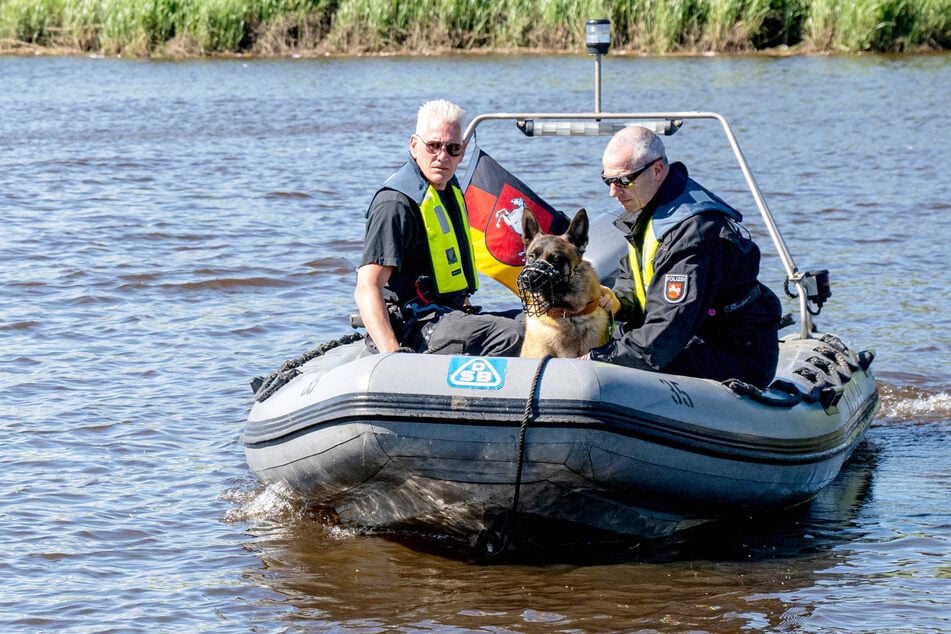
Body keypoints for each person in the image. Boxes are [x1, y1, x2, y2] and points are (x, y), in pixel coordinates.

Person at [584, 125, 782, 389]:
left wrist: (594, 360)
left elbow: (662, 339)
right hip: (682, 335)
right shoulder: (643, 211)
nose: (613, 191)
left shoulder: (694, 233)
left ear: (656, 171)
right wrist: (619, 300)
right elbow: (636, 282)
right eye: (608, 181)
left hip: (731, 353)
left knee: (611, 375)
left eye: (623, 181)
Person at [354, 99, 523, 356]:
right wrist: (393, 356)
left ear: (462, 151)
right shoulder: (395, 204)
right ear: (414, 145)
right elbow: (367, 288)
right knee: (516, 335)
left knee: (537, 324)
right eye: (433, 146)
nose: (442, 156)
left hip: (449, 316)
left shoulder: (448, 189)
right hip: (414, 327)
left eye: (452, 148)